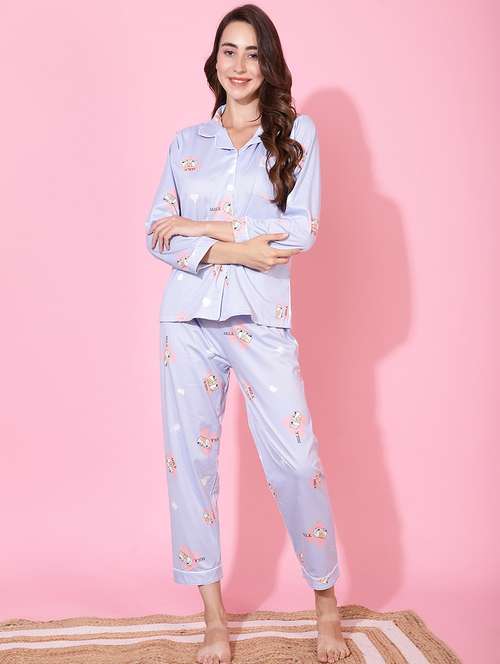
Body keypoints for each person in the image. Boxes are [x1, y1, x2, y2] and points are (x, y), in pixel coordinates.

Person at [145, 5, 350, 663]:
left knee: (296, 460)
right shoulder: (187, 144)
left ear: (269, 62)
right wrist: (234, 248)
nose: (239, 65)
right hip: (187, 322)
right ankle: (213, 619)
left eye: (252, 53)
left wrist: (203, 228)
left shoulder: (296, 135)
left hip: (260, 320)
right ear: (214, 60)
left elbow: (299, 230)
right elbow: (157, 233)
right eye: (228, 51)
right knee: (191, 469)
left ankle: (325, 601)